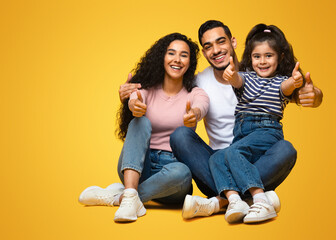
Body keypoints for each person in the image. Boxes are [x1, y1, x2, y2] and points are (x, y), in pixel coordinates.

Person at [169, 20, 323, 220]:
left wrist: (315, 93)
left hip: (258, 161)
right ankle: (253, 198)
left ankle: (219, 202)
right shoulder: (201, 81)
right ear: (204, 52)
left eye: (221, 42)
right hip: (216, 164)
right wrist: (133, 96)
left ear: (233, 42)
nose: (216, 50)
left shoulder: (262, 71)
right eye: (208, 46)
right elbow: (182, 97)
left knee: (286, 149)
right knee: (181, 136)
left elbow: (297, 89)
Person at [78, 33, 210, 223]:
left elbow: (202, 105)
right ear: (162, 58)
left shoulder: (195, 93)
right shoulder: (147, 90)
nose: (177, 59)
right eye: (171, 53)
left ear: (190, 62)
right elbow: (136, 99)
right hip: (138, 167)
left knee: (183, 172)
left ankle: (121, 197)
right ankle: (131, 192)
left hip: (172, 176)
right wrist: (133, 106)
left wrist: (195, 114)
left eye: (184, 55)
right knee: (141, 122)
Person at [205, 23, 306, 224]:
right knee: (217, 158)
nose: (262, 61)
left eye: (269, 56)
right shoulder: (246, 77)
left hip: (267, 129)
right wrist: (231, 75)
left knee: (233, 153)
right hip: (242, 131)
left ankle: (261, 200)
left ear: (280, 58)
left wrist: (295, 81)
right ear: (250, 59)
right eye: (257, 56)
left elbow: (287, 87)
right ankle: (236, 201)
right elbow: (236, 81)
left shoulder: (280, 82)